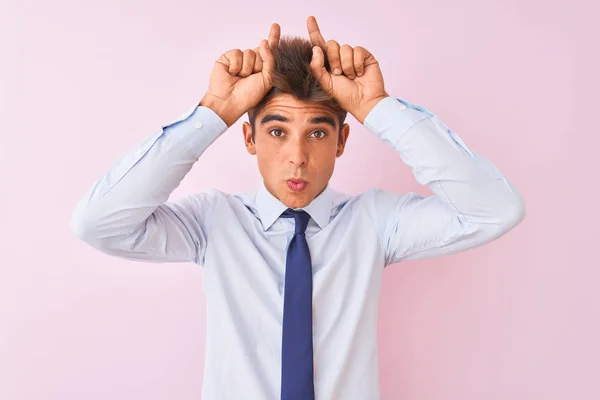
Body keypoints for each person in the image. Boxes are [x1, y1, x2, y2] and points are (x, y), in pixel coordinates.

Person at [71, 16, 525, 400]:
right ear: (248, 139)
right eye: (276, 131)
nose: (297, 156)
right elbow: (99, 223)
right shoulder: (213, 223)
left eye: (318, 132)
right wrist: (214, 111)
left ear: (342, 141)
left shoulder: (376, 223)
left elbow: (494, 210)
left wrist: (378, 108)